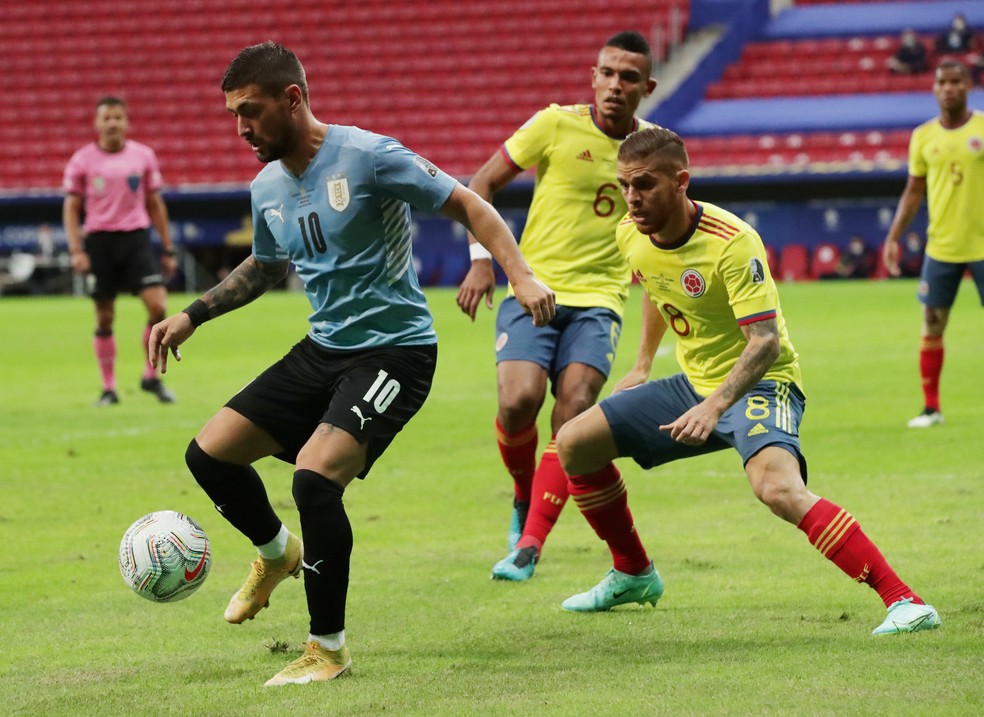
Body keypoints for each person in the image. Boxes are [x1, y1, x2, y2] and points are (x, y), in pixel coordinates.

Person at [148, 42, 555, 687]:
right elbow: (266, 265)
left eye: (250, 112)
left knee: (314, 481)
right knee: (209, 455)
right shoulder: (267, 187)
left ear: (293, 98)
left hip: (396, 350)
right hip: (325, 349)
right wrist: (191, 315)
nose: (240, 128)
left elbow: (472, 205)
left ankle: (326, 648)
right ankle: (278, 554)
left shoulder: (370, 156)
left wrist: (521, 277)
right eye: (233, 115)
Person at [552, 127, 940, 636]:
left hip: (763, 382)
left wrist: (714, 405)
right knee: (575, 443)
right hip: (693, 385)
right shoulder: (632, 231)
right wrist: (643, 363)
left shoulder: (733, 242)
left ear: (681, 181)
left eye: (644, 185)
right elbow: (655, 285)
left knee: (778, 488)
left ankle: (905, 601)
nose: (631, 198)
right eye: (624, 184)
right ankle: (633, 572)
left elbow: (764, 343)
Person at [455, 31, 657, 581]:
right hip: (532, 288)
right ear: (594, 77)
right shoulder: (554, 124)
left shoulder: (656, 148)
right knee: (520, 400)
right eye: (607, 73)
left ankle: (529, 544)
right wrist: (481, 261)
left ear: (647, 87)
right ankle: (524, 495)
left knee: (575, 408)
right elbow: (481, 185)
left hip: (600, 301)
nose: (616, 86)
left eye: (629, 78)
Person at [882, 60, 984, 428]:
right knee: (931, 323)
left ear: (968, 85)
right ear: (934, 88)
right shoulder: (923, 136)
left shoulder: (982, 127)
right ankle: (931, 408)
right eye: (942, 81)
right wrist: (893, 236)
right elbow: (913, 191)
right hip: (942, 247)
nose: (949, 87)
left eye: (956, 81)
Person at [63, 96, 178, 406]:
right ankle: (109, 388)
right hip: (99, 242)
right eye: (106, 117)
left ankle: (149, 377)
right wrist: (77, 249)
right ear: (97, 123)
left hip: (136, 239)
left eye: (118, 117)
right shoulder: (82, 160)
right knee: (104, 317)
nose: (112, 122)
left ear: (126, 122)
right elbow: (72, 208)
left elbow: (155, 204)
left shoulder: (143, 156)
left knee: (157, 307)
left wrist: (167, 248)